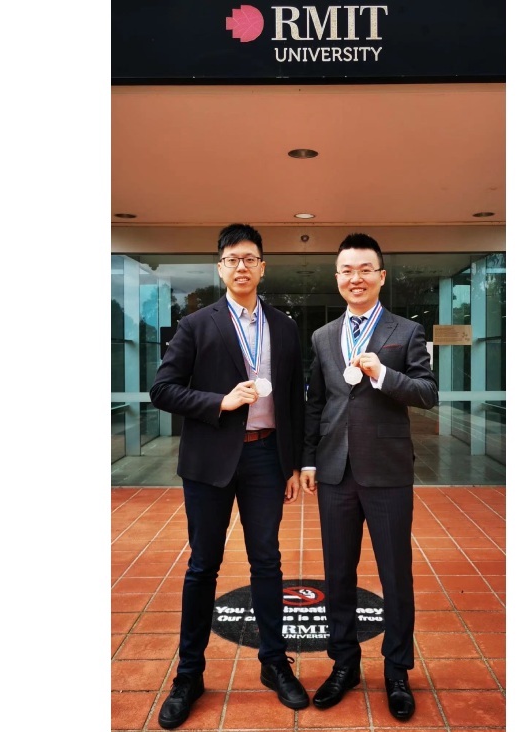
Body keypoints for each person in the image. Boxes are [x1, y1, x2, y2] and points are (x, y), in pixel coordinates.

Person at [149, 224, 309, 729]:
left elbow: (294, 400)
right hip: (210, 462)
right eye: (233, 259)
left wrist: (291, 463)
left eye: (251, 259)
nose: (242, 266)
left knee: (268, 563)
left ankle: (274, 663)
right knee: (203, 566)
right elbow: (163, 389)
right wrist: (219, 401)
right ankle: (190, 675)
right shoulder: (196, 325)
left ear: (263, 267)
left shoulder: (283, 326)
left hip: (265, 460)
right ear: (220, 268)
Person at [300, 233, 438, 720]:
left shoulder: (406, 330)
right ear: (336, 277)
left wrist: (383, 374)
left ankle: (397, 671)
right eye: (346, 270)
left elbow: (426, 392)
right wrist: (310, 460)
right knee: (338, 575)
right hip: (336, 472)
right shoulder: (322, 336)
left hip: (388, 472)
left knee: (394, 575)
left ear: (381, 276)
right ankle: (345, 664)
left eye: (364, 269)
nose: (354, 278)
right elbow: (317, 403)